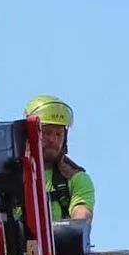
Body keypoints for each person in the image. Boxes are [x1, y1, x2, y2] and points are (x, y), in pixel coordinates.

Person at [24, 94, 94, 229]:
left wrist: (78, 226)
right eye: (46, 132)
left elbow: (82, 216)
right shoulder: (11, 177)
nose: (53, 140)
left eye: (58, 134)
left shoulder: (76, 178)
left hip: (57, 250)